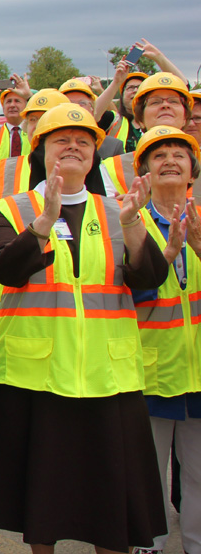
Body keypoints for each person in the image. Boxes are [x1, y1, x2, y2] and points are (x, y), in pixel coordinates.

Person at [0, 103, 168, 553]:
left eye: (83, 142)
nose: (74, 148)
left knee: (111, 498)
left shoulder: (118, 208)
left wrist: (135, 223)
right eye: (62, 140)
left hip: (106, 375)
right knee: (42, 499)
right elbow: (7, 270)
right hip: (36, 375)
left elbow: (149, 278)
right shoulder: (14, 207)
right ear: (41, 151)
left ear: (95, 155)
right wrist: (42, 224)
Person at [130, 126, 201, 554]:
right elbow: (127, 293)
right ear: (145, 172)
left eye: (180, 153)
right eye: (159, 156)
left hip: (199, 370)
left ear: (193, 170)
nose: (171, 160)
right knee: (148, 471)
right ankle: (149, 545)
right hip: (151, 368)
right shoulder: (131, 223)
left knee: (198, 474)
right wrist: (169, 255)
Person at [0, 89, 72, 348]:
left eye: (48, 117)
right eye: (34, 120)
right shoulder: (3, 170)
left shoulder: (87, 169)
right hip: (13, 291)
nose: (40, 125)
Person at [101, 72, 193, 197]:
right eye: (155, 102)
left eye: (173, 101)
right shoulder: (112, 168)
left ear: (185, 118)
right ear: (140, 120)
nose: (165, 105)